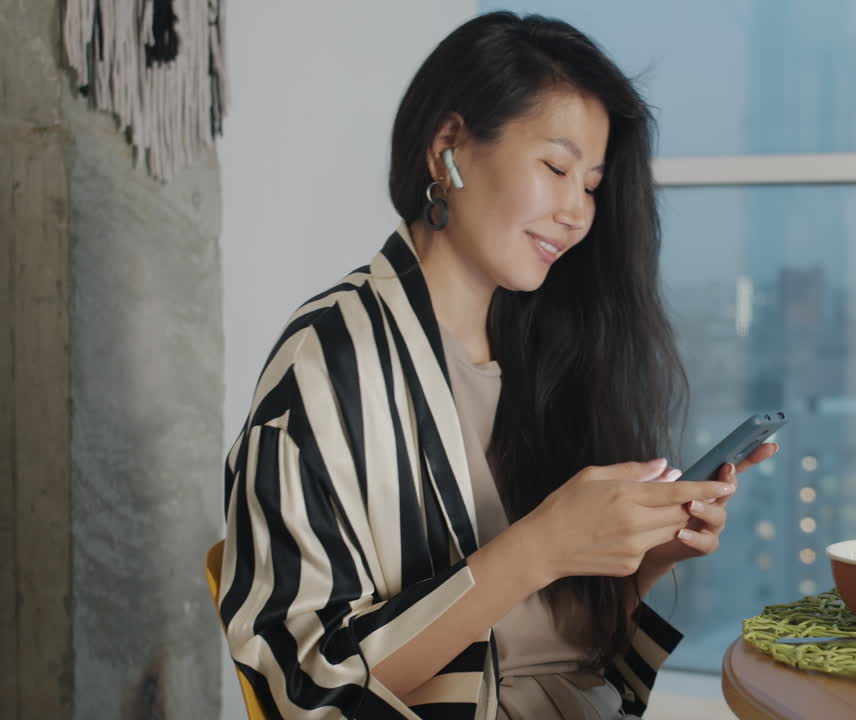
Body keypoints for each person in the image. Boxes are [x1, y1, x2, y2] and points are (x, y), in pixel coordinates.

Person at [218, 11, 779, 720]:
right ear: (448, 146)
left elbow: (547, 645)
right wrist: (543, 545)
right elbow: (306, 685)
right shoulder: (330, 363)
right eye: (556, 168)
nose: (578, 213)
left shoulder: (543, 353)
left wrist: (639, 556)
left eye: (593, 185)